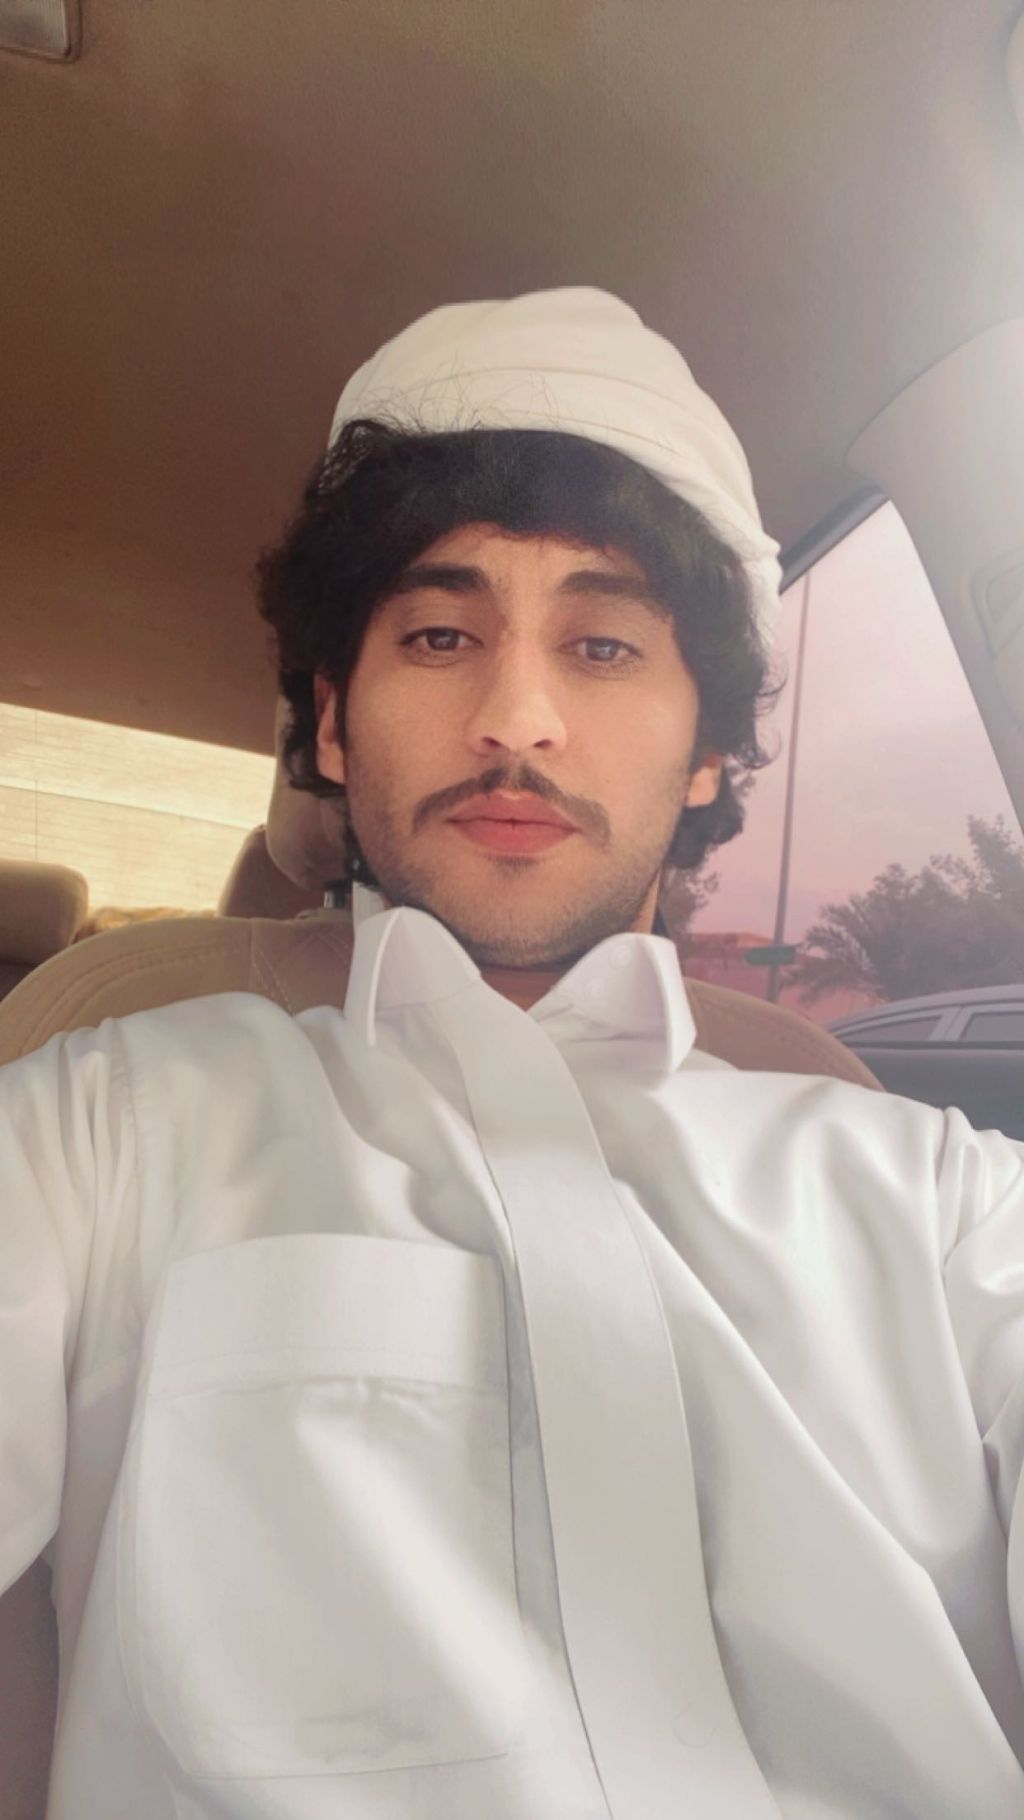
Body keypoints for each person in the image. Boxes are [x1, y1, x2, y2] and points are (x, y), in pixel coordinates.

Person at [2, 287, 1024, 1820]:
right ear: (333, 725)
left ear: (708, 751)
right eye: (439, 635)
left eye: (603, 644)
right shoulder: (98, 1125)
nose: (519, 717)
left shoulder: (935, 1198)